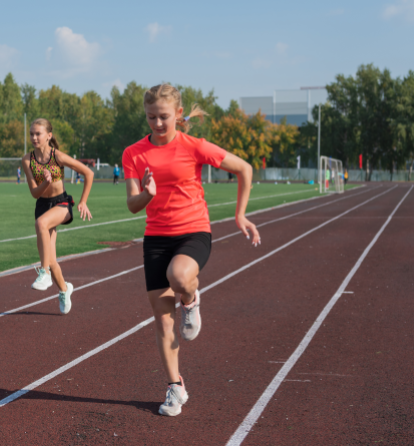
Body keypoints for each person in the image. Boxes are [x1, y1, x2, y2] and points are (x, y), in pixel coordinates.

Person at [122, 84, 260, 417]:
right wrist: (148, 195)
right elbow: (131, 204)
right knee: (163, 323)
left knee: (180, 275)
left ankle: (192, 300)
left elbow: (244, 168)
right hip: (156, 237)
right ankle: (175, 387)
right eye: (151, 117)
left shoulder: (194, 146)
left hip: (193, 231)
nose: (157, 124)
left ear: (179, 115)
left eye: (164, 117)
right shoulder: (133, 153)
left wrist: (240, 215)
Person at [22, 118, 94, 314]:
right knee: (50, 258)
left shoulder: (58, 156)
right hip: (42, 205)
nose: (34, 137)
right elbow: (35, 193)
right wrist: (45, 183)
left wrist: (83, 201)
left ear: (49, 136)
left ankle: (43, 273)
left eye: (38, 134)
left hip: (61, 204)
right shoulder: (27, 160)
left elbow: (88, 173)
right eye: (31, 134)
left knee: (41, 224)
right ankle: (64, 289)